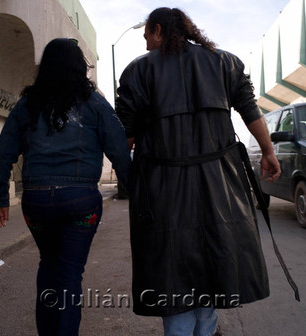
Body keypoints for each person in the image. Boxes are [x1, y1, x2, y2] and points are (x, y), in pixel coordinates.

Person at [116, 8, 281, 336]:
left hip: (162, 187)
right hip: (218, 184)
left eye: (147, 34)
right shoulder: (224, 63)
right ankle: (206, 330)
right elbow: (250, 109)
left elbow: (127, 136)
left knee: (171, 267)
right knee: (211, 259)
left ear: (159, 30)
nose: (146, 42)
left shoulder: (137, 71)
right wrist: (268, 151)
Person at [0, 38, 131, 336]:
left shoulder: (27, 104)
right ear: (79, 65)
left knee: (48, 267)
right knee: (68, 275)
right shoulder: (94, 103)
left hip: (37, 203)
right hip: (80, 202)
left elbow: (3, 152)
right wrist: (133, 191)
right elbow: (118, 147)